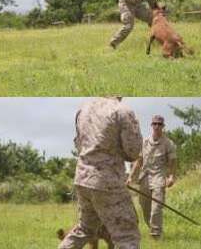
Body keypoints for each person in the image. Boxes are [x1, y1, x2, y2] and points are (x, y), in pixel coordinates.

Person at [58, 97, 143, 249]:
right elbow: (133, 152)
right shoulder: (122, 110)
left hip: (82, 178)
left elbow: (79, 144)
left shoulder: (84, 108)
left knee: (85, 228)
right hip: (107, 181)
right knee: (127, 235)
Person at [128, 115, 177, 239]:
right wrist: (130, 177)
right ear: (151, 125)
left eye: (159, 124)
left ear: (163, 126)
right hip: (144, 177)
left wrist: (171, 177)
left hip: (159, 177)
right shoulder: (145, 142)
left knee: (156, 207)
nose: (157, 126)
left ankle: (155, 236)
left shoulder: (168, 143)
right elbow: (139, 161)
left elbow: (172, 162)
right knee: (145, 208)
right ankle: (153, 228)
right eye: (154, 124)